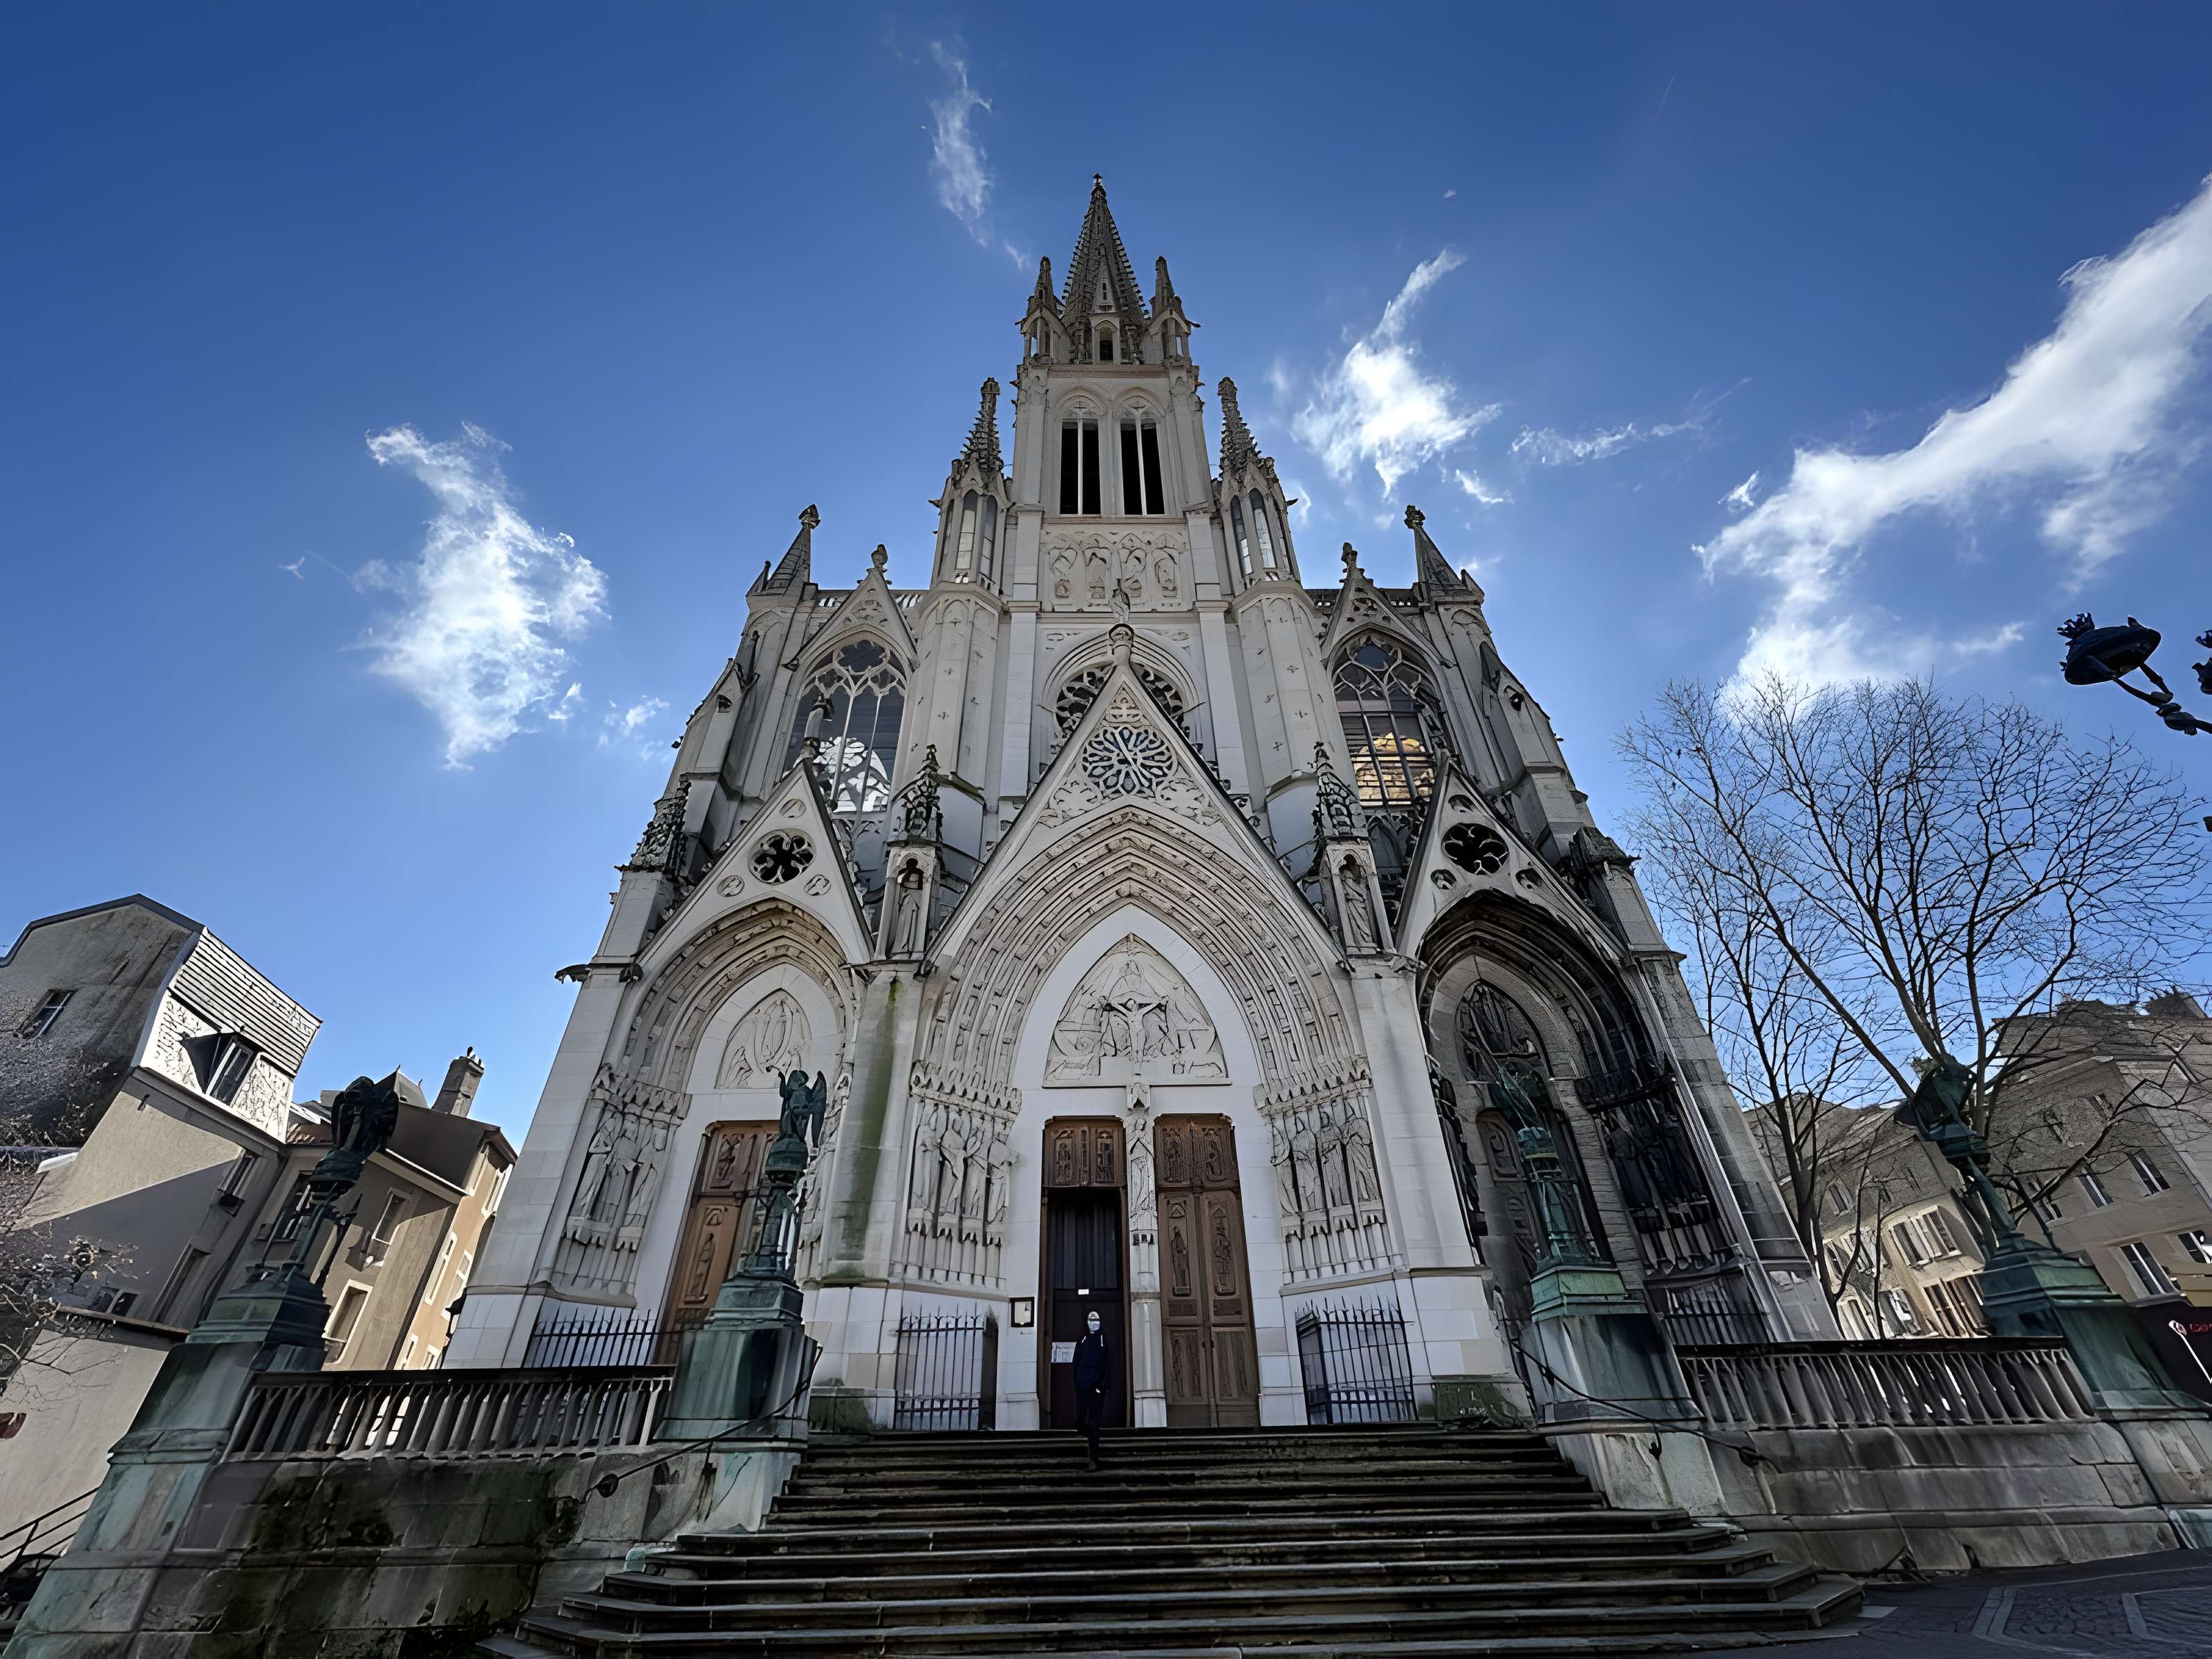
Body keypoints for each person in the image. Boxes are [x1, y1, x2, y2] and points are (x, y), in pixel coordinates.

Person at [1071, 1309, 1112, 1470]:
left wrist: (1100, 1386)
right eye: (1090, 1320)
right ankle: (1092, 1444)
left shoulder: (1103, 1340)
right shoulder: (1083, 1339)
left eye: (1096, 1320)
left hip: (1095, 1388)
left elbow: (1106, 1364)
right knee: (1081, 1421)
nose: (1093, 1323)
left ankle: (1093, 1458)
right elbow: (1076, 1362)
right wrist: (1077, 1383)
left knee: (1094, 1422)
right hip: (1083, 1386)